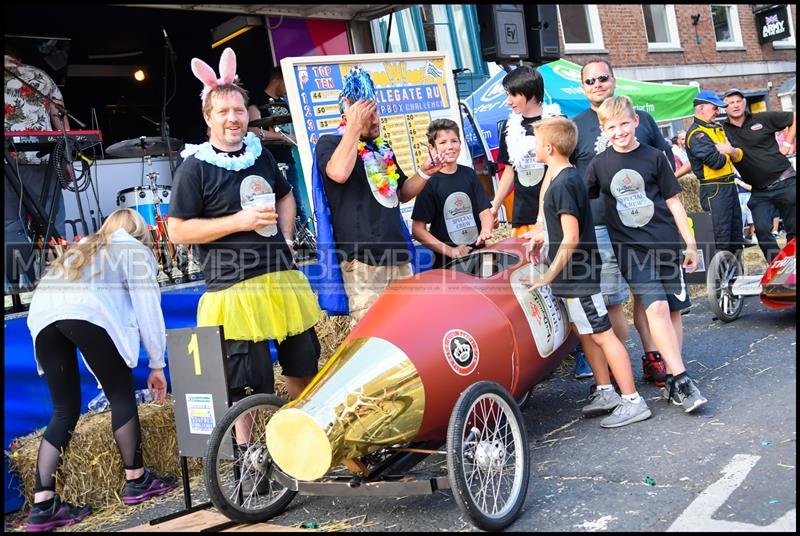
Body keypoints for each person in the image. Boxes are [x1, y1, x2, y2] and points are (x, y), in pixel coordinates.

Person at [168, 48, 321, 407]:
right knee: (248, 387)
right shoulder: (195, 167)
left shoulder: (260, 154)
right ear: (209, 117)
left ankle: (304, 440)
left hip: (281, 278)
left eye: (238, 110)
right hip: (232, 289)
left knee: (304, 367)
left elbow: (285, 197)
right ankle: (250, 458)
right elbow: (177, 231)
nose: (233, 118)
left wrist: (286, 236)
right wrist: (238, 222)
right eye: (223, 112)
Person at [25, 208, 178, 531]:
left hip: (43, 320)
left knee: (64, 410)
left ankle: (43, 504)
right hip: (85, 314)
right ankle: (136, 479)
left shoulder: (80, 249)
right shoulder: (134, 250)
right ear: (141, 233)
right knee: (120, 393)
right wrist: (157, 364)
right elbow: (148, 309)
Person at [525, 116, 650, 428]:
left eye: (537, 142)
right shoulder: (561, 178)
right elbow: (561, 231)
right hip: (573, 278)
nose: (534, 147)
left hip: (578, 276)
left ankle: (633, 400)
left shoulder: (565, 183)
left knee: (603, 335)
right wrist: (543, 237)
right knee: (589, 334)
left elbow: (571, 237)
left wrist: (547, 275)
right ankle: (606, 391)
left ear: (549, 148)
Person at [586, 96, 707, 414]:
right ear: (603, 129)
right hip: (631, 251)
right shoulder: (599, 165)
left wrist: (690, 243)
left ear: (636, 122)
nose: (619, 131)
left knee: (673, 313)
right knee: (656, 308)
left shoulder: (655, 158)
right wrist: (547, 226)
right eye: (611, 127)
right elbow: (577, 200)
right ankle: (682, 380)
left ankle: (671, 374)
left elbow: (675, 204)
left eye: (624, 123)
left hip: (667, 245)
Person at [315, 66, 444, 328]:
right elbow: (338, 173)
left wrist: (425, 173)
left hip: (398, 252)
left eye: (376, 111)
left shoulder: (382, 148)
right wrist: (353, 126)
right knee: (371, 332)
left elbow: (402, 193)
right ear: (348, 113)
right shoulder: (329, 144)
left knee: (409, 327)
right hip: (362, 259)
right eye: (367, 114)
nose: (375, 120)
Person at [571, 59, 670, 386]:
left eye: (602, 77)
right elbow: (570, 179)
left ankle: (653, 356)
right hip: (600, 227)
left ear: (613, 79)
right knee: (613, 298)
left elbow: (664, 165)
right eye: (590, 81)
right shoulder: (576, 127)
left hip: (642, 225)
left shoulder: (639, 120)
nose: (597, 84)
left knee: (646, 295)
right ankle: (620, 363)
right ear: (583, 88)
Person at [4, 50, 71, 291]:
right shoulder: (39, 76)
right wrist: (67, 159)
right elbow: (60, 118)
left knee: (11, 224)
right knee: (53, 221)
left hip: (7, 164)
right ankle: (60, 281)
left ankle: (16, 289)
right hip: (44, 162)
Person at [721, 88, 795, 263]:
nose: (735, 105)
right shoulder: (722, 130)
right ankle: (779, 269)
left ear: (744, 103)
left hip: (785, 181)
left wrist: (786, 143)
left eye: (738, 101)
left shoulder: (762, 118)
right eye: (730, 102)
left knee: (794, 230)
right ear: (725, 108)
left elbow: (793, 117)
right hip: (759, 191)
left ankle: (793, 268)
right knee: (761, 230)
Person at [411, 119, 493, 269]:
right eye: (443, 142)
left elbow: (484, 211)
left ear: (460, 144)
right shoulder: (428, 182)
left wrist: (486, 230)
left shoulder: (469, 174)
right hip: (447, 264)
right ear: (432, 147)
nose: (450, 147)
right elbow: (417, 229)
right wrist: (451, 251)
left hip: (478, 257)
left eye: (454, 141)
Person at [490, 65, 555, 238]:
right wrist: (495, 207)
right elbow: (510, 170)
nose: (508, 101)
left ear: (531, 93)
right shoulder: (508, 127)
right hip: (523, 214)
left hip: (553, 212)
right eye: (507, 95)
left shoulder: (556, 123)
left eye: (514, 95)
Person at [685, 89, 744, 255]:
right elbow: (716, 162)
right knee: (721, 237)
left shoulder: (716, 128)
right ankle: (721, 278)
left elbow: (739, 154)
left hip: (728, 185)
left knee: (736, 235)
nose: (718, 112)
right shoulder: (697, 134)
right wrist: (729, 151)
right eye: (714, 108)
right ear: (701, 108)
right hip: (714, 189)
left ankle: (735, 276)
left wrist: (727, 150)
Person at [247, 68, 310, 222]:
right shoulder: (257, 102)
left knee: (298, 205)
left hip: (289, 161)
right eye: (287, 83)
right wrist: (283, 136)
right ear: (279, 80)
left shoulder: (285, 103)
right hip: (269, 162)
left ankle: (303, 243)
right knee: (277, 206)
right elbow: (254, 131)